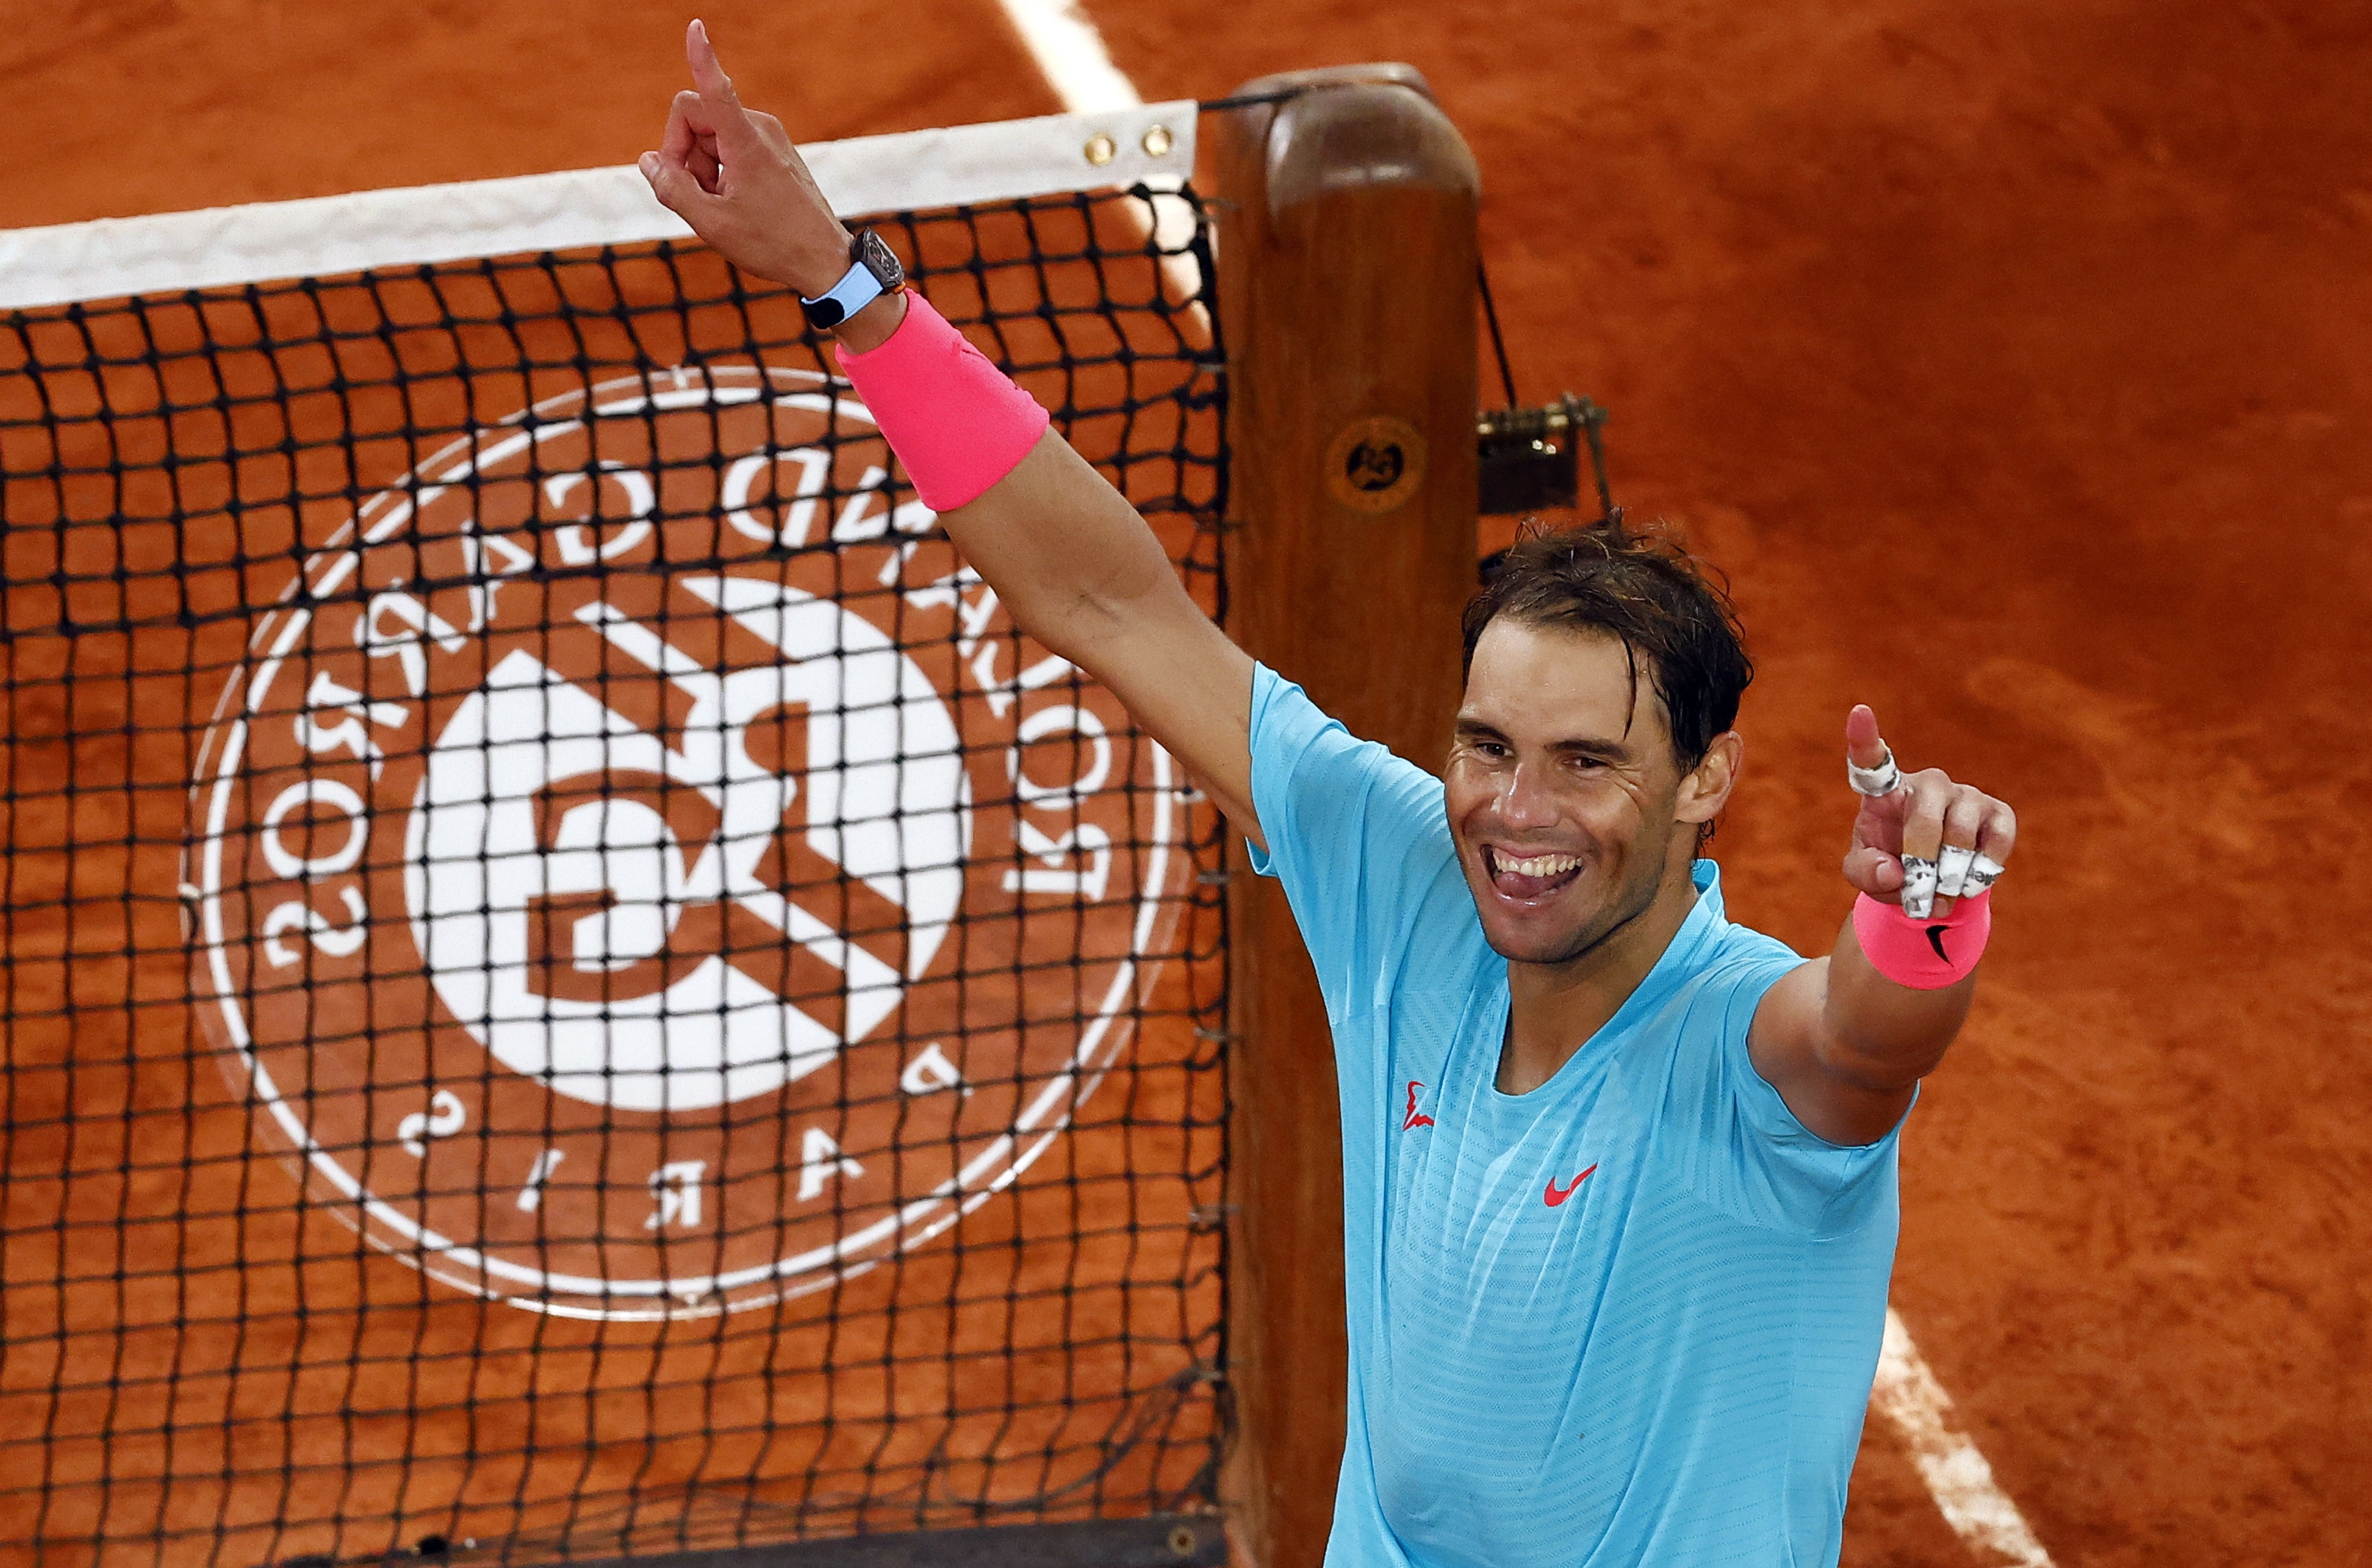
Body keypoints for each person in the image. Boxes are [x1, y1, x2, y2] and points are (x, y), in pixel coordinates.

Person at [639, 22, 2019, 1566]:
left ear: (1706, 782)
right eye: (1489, 743)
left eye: (1586, 762)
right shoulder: (1405, 865)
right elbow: (1112, 602)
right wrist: (837, 277)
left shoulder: (1740, 1046)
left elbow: (1862, 1042)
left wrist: (1923, 922)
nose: (1518, 810)